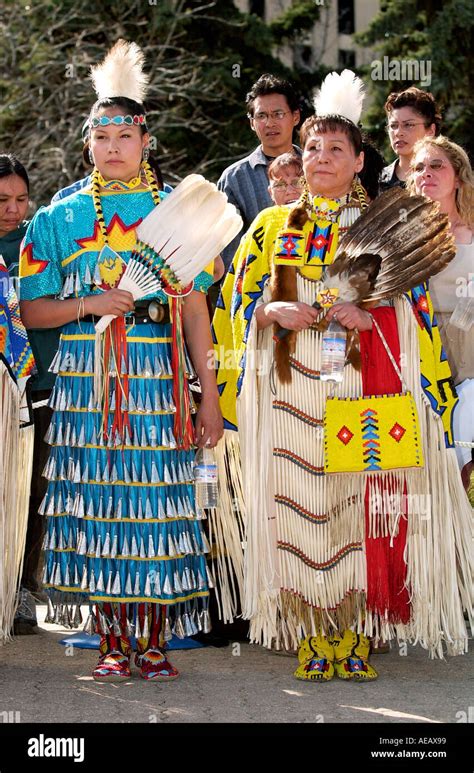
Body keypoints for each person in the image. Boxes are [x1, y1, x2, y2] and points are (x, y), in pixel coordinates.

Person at [212, 70, 472, 681]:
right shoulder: (271, 229)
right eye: (311, 149)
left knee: (358, 503)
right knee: (298, 502)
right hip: (288, 389)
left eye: (336, 149)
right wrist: (269, 309)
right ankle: (307, 629)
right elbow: (234, 303)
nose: (321, 158)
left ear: (360, 161)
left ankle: (355, 628)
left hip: (363, 386)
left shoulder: (387, 226)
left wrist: (371, 308)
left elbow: (421, 314)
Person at [19, 40, 223, 682]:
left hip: (158, 379)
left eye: (123, 134)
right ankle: (110, 639)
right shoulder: (58, 217)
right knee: (100, 502)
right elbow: (31, 311)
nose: (111, 146)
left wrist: (209, 395)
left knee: (158, 504)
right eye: (99, 134)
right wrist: (89, 304)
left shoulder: (177, 212)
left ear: (145, 138)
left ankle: (155, 640)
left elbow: (193, 313)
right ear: (87, 143)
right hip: (86, 386)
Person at [0, 154, 61, 634]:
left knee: (32, 488)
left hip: (39, 383)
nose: (13, 210)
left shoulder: (40, 240)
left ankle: (22, 586)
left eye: (21, 199)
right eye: (2, 200)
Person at [408, 135, 474, 489]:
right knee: (437, 473)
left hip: (471, 364)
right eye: (419, 168)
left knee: (466, 467)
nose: (426, 174)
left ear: (458, 177)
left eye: (437, 166)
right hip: (422, 365)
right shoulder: (402, 238)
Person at [217, 74, 301, 269]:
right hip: (256, 288)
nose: (270, 123)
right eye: (261, 116)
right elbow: (230, 251)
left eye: (278, 114)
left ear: (295, 117)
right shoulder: (233, 178)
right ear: (252, 123)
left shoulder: (316, 168)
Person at [380, 87, 441, 190]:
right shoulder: (378, 182)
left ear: (430, 130)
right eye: (393, 126)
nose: (398, 133)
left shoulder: (444, 177)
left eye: (408, 125)